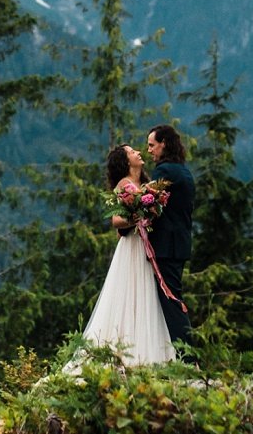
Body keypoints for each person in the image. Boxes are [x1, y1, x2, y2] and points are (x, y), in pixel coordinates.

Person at [75, 144, 176, 366]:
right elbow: (116, 221)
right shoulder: (124, 184)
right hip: (132, 247)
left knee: (145, 295)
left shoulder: (145, 185)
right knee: (131, 293)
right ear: (125, 161)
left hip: (144, 244)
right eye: (132, 152)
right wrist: (140, 215)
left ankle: (144, 352)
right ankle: (127, 353)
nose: (139, 153)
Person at [146, 124, 194, 345]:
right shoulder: (183, 171)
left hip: (166, 246)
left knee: (171, 301)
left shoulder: (164, 172)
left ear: (164, 144)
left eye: (152, 145)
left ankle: (187, 357)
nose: (149, 151)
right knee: (171, 299)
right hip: (179, 244)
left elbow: (149, 206)